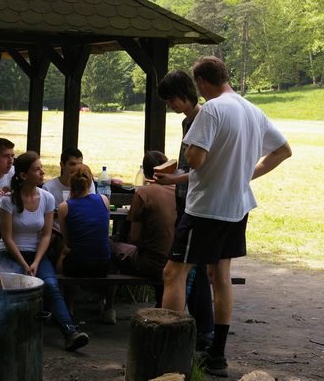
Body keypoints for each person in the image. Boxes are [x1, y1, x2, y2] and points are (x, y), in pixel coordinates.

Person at [161, 56, 292, 377]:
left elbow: (196, 159)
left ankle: (166, 353)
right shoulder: (253, 111)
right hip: (238, 207)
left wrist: (189, 153)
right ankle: (217, 356)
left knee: (173, 274)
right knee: (219, 275)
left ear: (202, 82)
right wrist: (246, 173)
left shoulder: (212, 110)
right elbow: (283, 151)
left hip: (205, 208)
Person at [0, 151, 89, 351]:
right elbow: (7, 237)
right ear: (23, 175)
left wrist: (36, 262)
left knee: (50, 285)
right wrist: (23, 264)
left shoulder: (46, 198)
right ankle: (3, 333)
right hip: (11, 253)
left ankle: (70, 331)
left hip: (36, 254)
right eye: (37, 169)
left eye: (41, 168)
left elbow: (47, 235)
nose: (42, 172)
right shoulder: (8, 200)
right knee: (11, 286)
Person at [156, 69, 215, 351]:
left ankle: (194, 334)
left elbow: (202, 170)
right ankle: (202, 333)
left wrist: (173, 178)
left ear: (185, 93)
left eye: (171, 100)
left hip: (198, 205)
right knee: (195, 270)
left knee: (184, 271)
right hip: (185, 202)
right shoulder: (187, 121)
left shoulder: (203, 118)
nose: (170, 106)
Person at [112, 151, 177, 308]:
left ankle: (109, 305)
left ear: (145, 173)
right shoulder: (179, 191)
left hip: (152, 264)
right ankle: (161, 304)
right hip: (176, 262)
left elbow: (134, 237)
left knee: (111, 246)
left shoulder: (144, 193)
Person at [56, 164, 116, 325]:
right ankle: (110, 308)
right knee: (110, 249)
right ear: (90, 182)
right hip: (102, 266)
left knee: (65, 251)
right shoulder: (104, 200)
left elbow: (69, 242)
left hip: (77, 267)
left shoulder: (64, 207)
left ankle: (67, 307)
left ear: (71, 182)